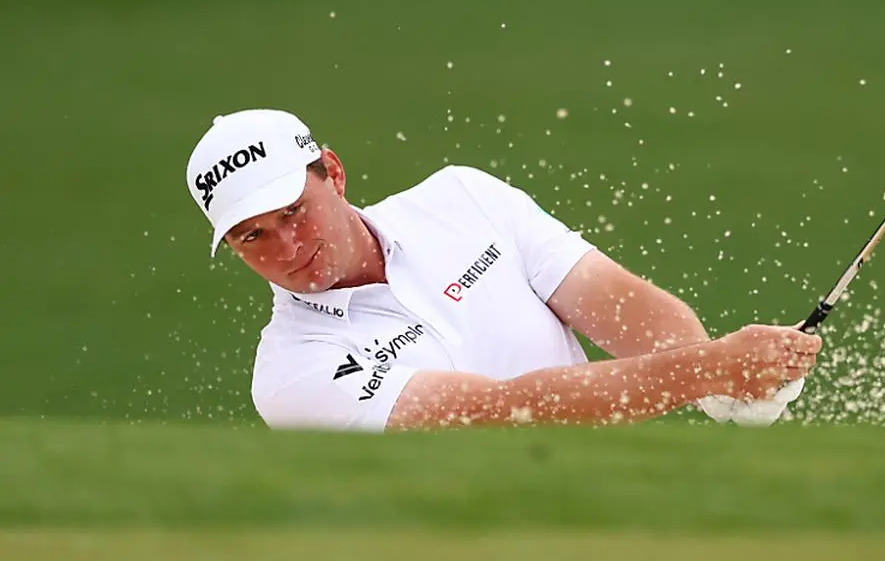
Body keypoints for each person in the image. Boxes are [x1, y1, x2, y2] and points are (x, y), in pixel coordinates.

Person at [184, 108, 822, 432]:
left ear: (334, 172)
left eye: (294, 211)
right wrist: (706, 370)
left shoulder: (462, 197)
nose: (286, 247)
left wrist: (718, 379)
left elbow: (612, 301)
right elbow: (507, 413)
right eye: (252, 236)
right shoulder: (293, 373)